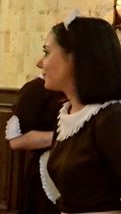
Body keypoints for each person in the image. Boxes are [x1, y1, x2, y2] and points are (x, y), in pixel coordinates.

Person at [41, 14, 121, 214]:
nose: (40, 62)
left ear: (75, 57)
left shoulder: (114, 119)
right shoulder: (68, 114)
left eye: (46, 52)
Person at [5, 57, 65, 214]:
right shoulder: (36, 89)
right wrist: (67, 136)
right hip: (45, 171)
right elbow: (16, 141)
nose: (39, 63)